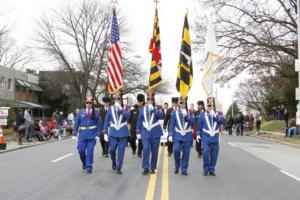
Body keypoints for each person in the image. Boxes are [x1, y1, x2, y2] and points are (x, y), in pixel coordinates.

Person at [72, 96, 102, 174]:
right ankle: (84, 163)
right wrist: (74, 134)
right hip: (82, 134)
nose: (88, 104)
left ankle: (89, 167)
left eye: (90, 103)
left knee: (90, 150)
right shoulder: (81, 112)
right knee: (81, 150)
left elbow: (99, 124)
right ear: (85, 103)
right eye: (87, 102)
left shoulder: (96, 112)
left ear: (92, 103)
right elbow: (76, 123)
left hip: (92, 135)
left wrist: (98, 135)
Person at [136, 93, 164, 175]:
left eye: (151, 99)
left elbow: (161, 116)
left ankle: (152, 167)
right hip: (145, 133)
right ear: (146, 100)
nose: (150, 100)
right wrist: (138, 132)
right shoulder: (142, 109)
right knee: (146, 149)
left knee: (154, 151)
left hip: (155, 133)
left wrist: (154, 110)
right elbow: (139, 120)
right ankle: (145, 167)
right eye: (148, 99)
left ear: (153, 100)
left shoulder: (158, 108)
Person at [103, 94, 131, 175]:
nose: (117, 100)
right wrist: (105, 132)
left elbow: (128, 117)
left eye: (118, 99)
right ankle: (114, 162)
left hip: (123, 133)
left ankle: (119, 168)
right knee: (111, 150)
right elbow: (106, 121)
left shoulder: (125, 108)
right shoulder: (110, 109)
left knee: (121, 151)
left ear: (121, 100)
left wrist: (121, 109)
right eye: (115, 99)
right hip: (113, 133)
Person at [196, 97, 224, 176]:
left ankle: (212, 169)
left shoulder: (219, 114)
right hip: (206, 137)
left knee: (214, 155)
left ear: (213, 106)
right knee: (205, 153)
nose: (209, 107)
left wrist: (215, 115)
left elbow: (222, 121)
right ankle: (206, 169)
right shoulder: (202, 114)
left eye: (211, 105)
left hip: (215, 137)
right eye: (208, 105)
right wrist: (198, 134)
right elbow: (199, 126)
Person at [168, 97, 195, 175]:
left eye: (183, 102)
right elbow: (171, 125)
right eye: (180, 103)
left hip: (187, 135)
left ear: (185, 103)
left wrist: (187, 116)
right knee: (176, 150)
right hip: (178, 135)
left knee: (186, 153)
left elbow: (193, 121)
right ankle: (177, 165)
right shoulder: (174, 113)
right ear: (178, 104)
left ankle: (184, 169)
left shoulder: (190, 112)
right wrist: (170, 134)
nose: (182, 104)